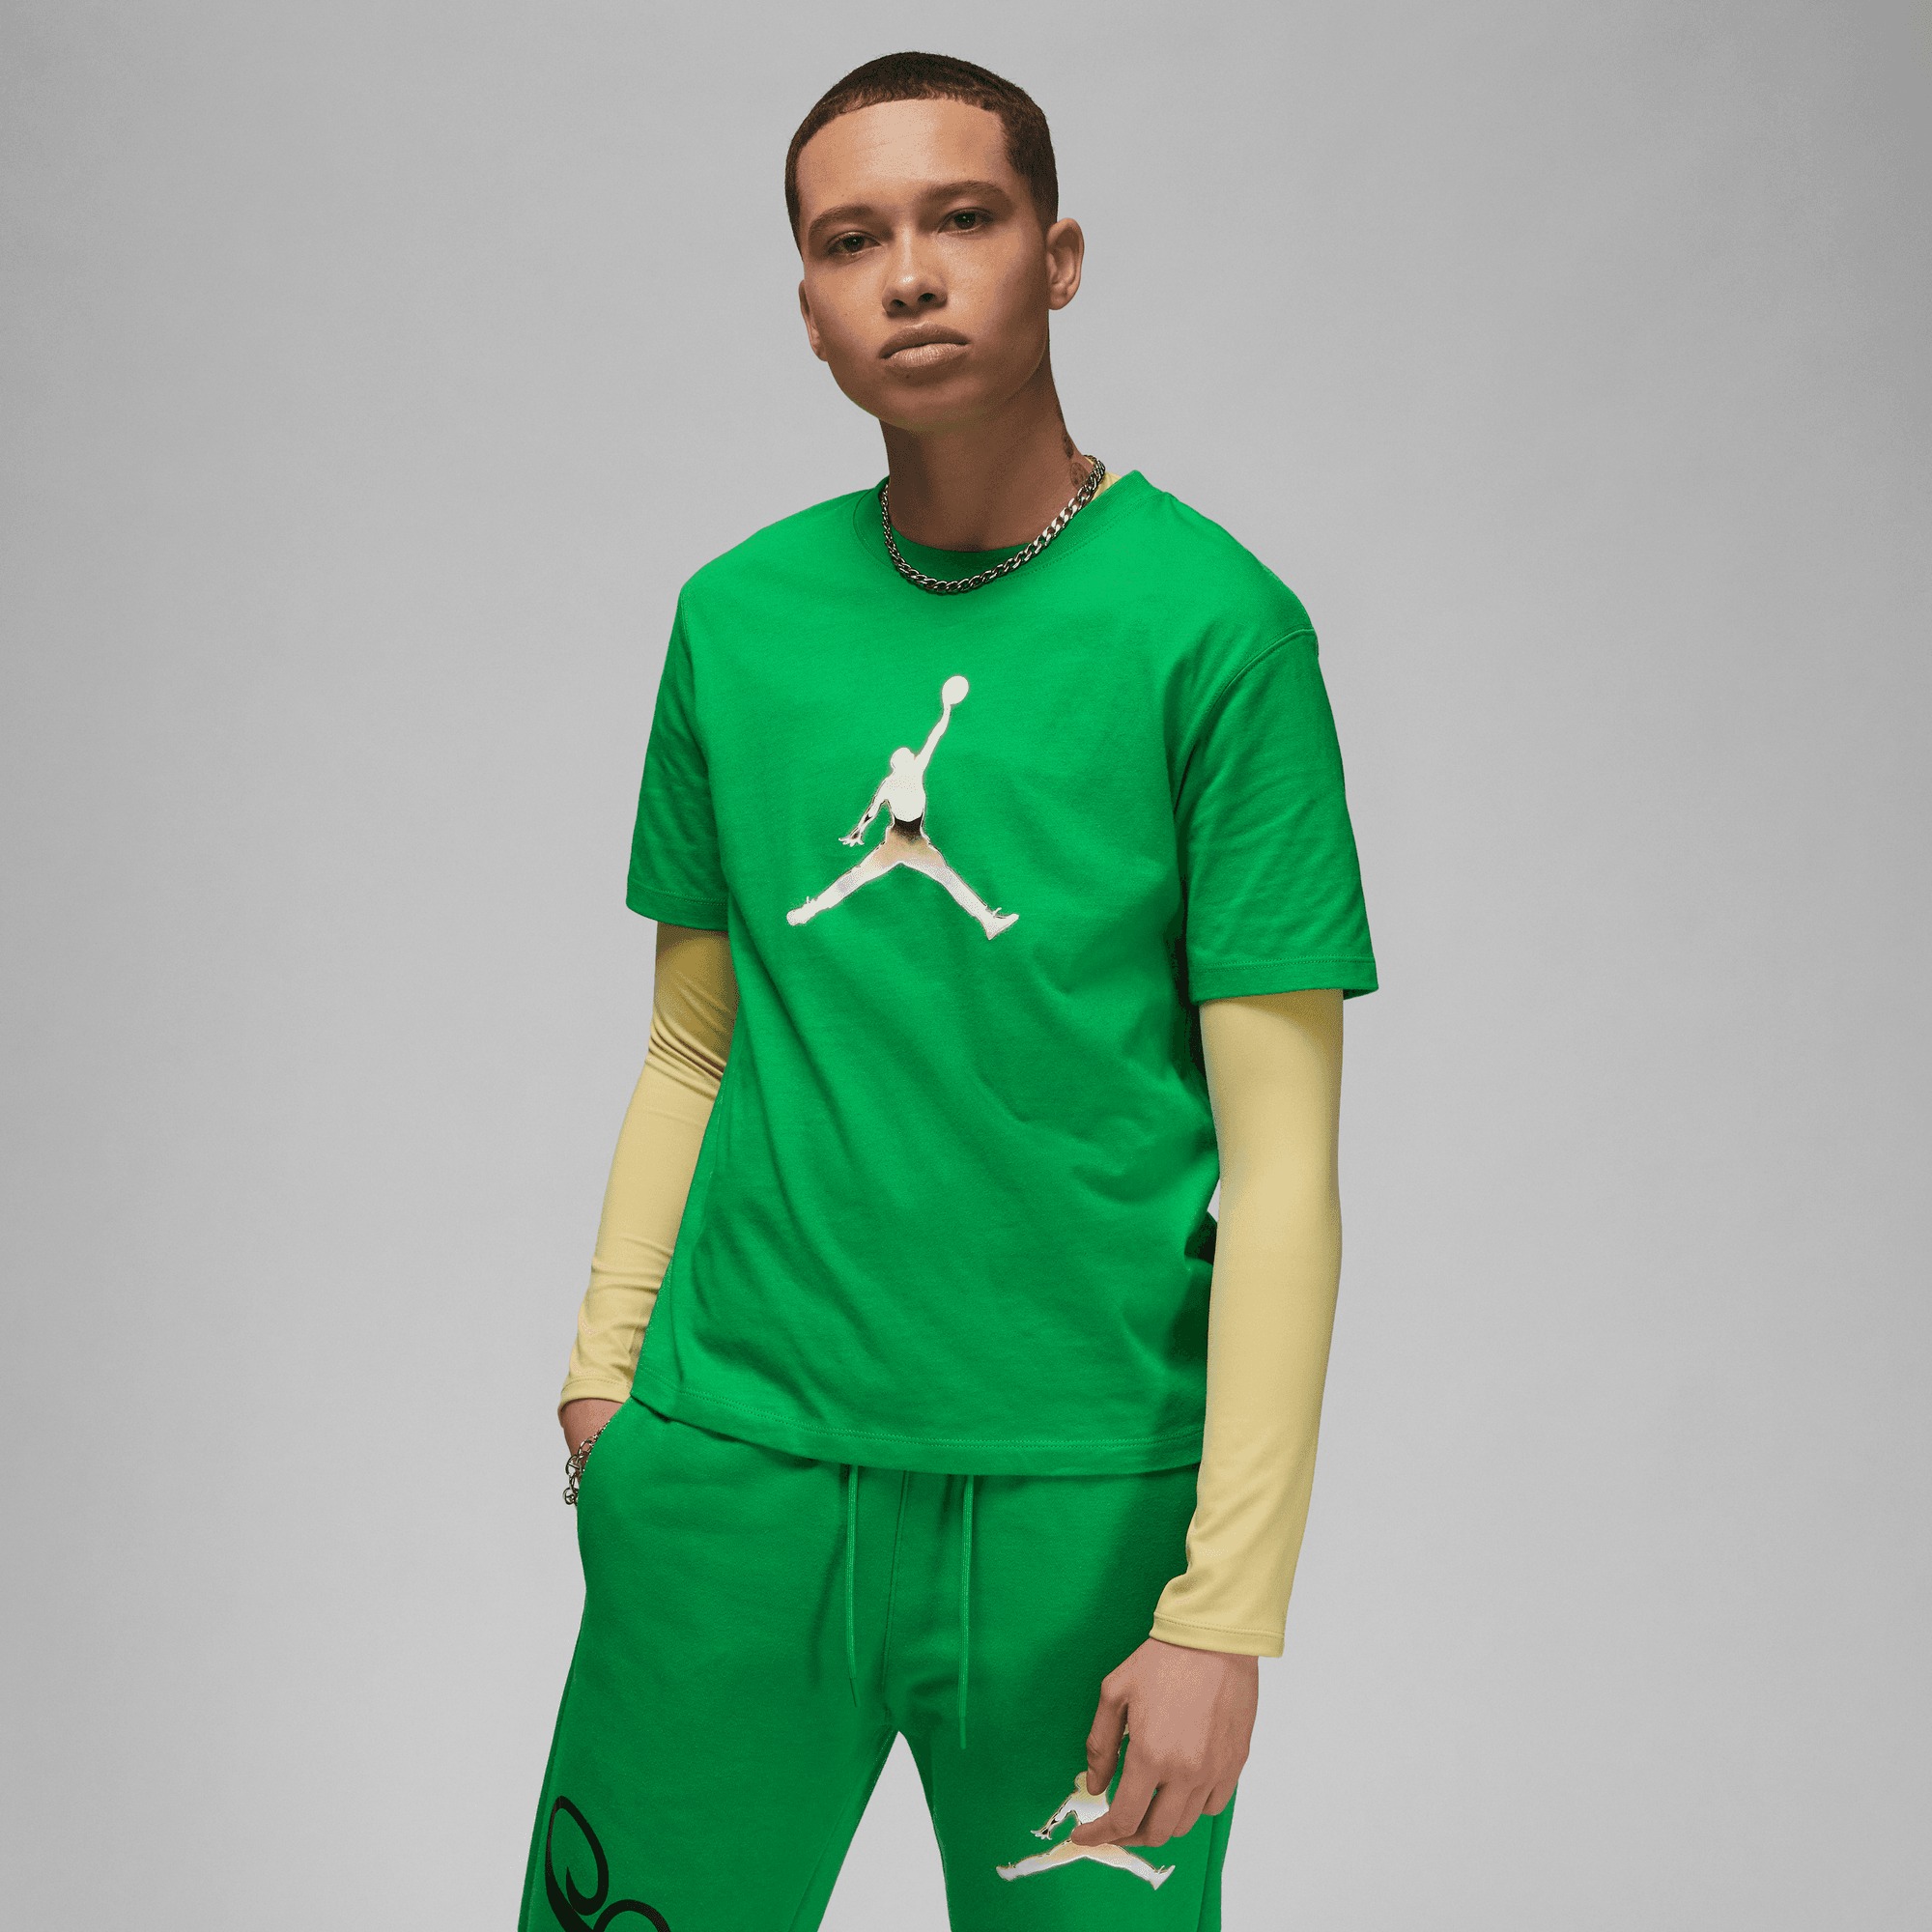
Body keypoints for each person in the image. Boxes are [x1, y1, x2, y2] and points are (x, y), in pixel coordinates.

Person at [523, 50, 1377, 1932]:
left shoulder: (1217, 632)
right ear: (807, 302)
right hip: (732, 1478)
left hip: (1089, 1517)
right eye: (851, 240)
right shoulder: (736, 620)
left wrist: (1225, 1609)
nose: (908, 273)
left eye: (961, 218)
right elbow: (692, 1048)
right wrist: (607, 1388)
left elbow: (1283, 1171)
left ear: (1057, 259)